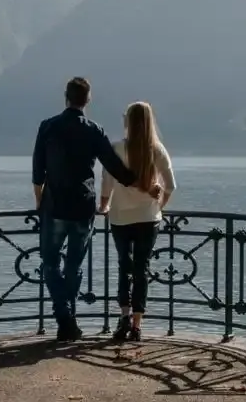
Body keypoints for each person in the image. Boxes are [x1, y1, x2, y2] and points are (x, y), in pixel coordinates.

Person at [31, 77, 160, 343]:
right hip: (82, 207)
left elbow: (37, 172)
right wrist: (148, 188)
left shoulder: (47, 127)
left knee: (50, 263)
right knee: (74, 265)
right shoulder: (94, 131)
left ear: (65, 97)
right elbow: (116, 169)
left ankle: (64, 317)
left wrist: (39, 202)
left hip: (53, 207)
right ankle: (68, 317)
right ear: (87, 100)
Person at [98, 101, 175, 343]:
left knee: (125, 266)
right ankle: (137, 325)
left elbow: (106, 184)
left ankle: (123, 315)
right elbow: (171, 186)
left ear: (128, 122)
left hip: (120, 218)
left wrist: (103, 206)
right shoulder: (157, 150)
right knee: (142, 270)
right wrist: (158, 208)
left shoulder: (116, 149)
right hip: (148, 218)